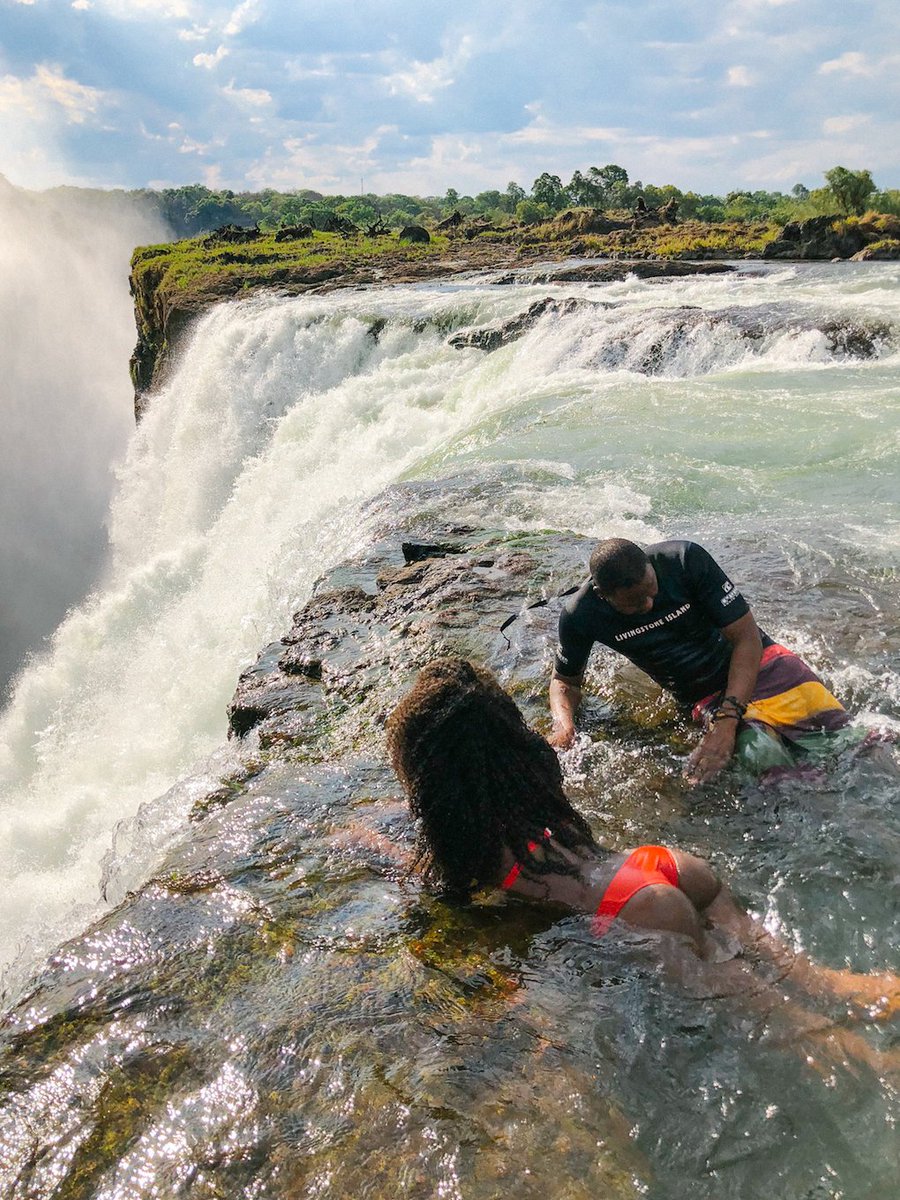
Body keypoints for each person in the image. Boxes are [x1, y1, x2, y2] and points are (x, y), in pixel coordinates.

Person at [385, 658, 898, 1037]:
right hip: (655, 864)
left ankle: (868, 1059)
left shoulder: (464, 840)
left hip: (632, 910)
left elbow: (430, 875)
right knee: (774, 960)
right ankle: (843, 986)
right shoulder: (531, 785)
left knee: (771, 1016)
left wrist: (370, 846)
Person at [548, 538, 854, 782]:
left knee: (854, 743)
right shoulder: (582, 615)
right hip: (703, 692)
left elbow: (746, 639)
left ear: (649, 564)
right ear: (604, 595)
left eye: (651, 590)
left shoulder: (684, 560)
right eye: (635, 603)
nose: (649, 603)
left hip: (762, 663)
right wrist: (564, 726)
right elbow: (564, 681)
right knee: (762, 761)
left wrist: (725, 723)